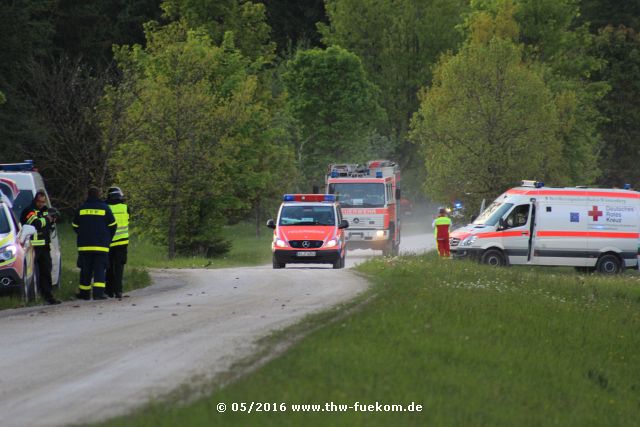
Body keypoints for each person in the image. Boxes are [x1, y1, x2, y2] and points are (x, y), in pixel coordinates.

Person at [72, 187, 116, 300]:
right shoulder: (105, 209)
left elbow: (75, 226)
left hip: (85, 246)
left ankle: (84, 294)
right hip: (101, 246)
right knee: (100, 270)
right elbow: (113, 226)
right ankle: (98, 294)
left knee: (85, 270)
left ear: (88, 195)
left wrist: (83, 234)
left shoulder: (81, 209)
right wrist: (107, 238)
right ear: (98, 195)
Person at [20, 190, 61, 304]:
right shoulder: (29, 211)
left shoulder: (45, 210)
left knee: (46, 272)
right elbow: (36, 224)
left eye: (43, 202)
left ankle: (48, 296)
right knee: (30, 274)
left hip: (44, 247)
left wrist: (52, 220)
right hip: (32, 247)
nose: (41, 204)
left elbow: (48, 225)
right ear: (35, 200)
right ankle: (30, 298)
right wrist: (47, 219)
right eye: (39, 202)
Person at [105, 187, 129, 299]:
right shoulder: (125, 208)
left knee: (108, 267)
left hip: (109, 243)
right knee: (119, 268)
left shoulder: (106, 208)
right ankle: (118, 291)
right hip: (122, 243)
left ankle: (108, 291)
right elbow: (128, 220)